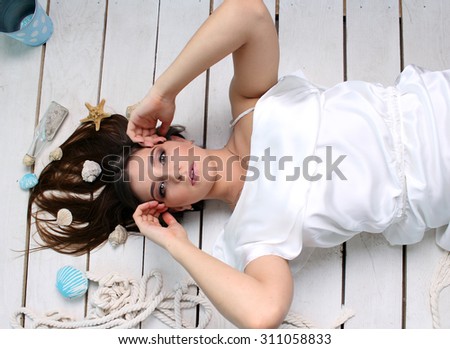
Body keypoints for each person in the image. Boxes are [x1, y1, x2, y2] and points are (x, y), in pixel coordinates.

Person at [30, 0, 450, 328]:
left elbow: (249, 13)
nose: (174, 172)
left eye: (161, 158)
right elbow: (263, 313)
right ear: (169, 208)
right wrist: (176, 246)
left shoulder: (252, 105)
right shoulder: (253, 236)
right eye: (161, 188)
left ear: (172, 138)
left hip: (436, 100)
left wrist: (163, 91)